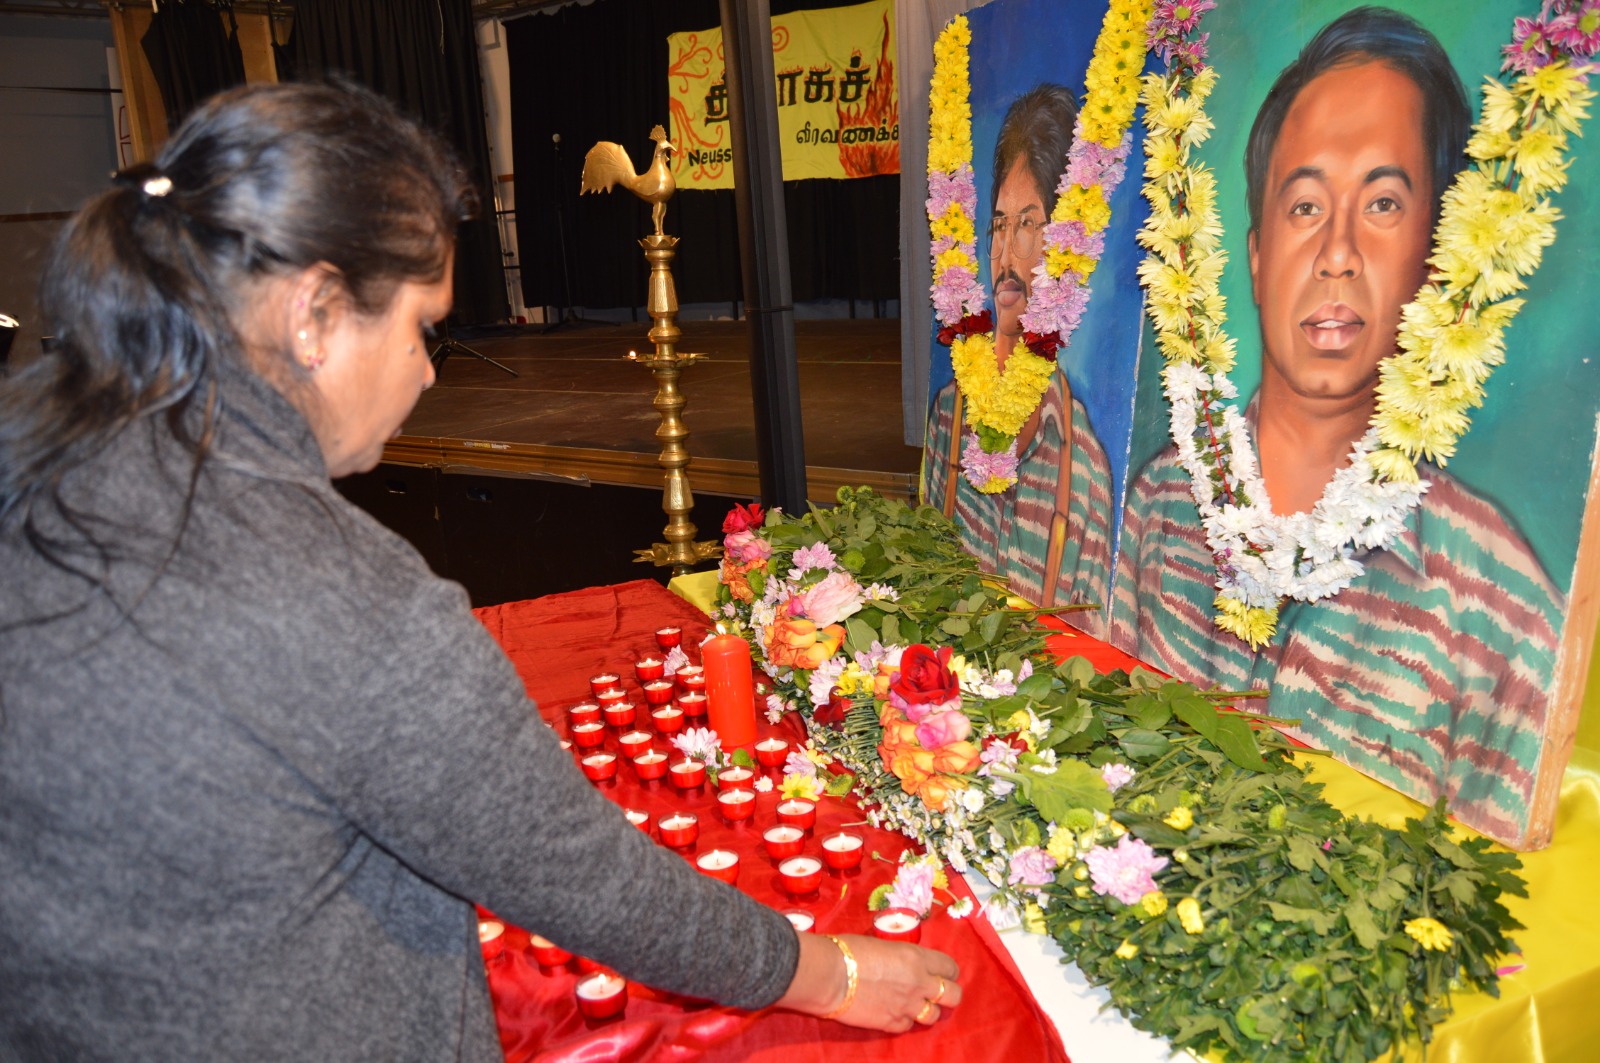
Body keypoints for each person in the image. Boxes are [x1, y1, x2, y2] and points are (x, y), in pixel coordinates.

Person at [0, 82, 959, 1060]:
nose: (427, 371)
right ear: (315, 313)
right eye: (422, 328)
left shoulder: (43, 469)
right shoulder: (337, 596)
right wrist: (826, 972)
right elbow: (578, 873)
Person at [1110, 7, 1565, 842]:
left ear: (1438, 255)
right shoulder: (1162, 504)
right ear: (1254, 257)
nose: (1338, 253)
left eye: (1383, 203)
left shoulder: (1505, 615)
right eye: (1305, 206)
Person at [922, 84, 1114, 628]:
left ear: (1068, 250)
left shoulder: (1085, 469)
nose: (1006, 255)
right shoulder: (948, 416)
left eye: (1029, 225)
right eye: (1000, 225)